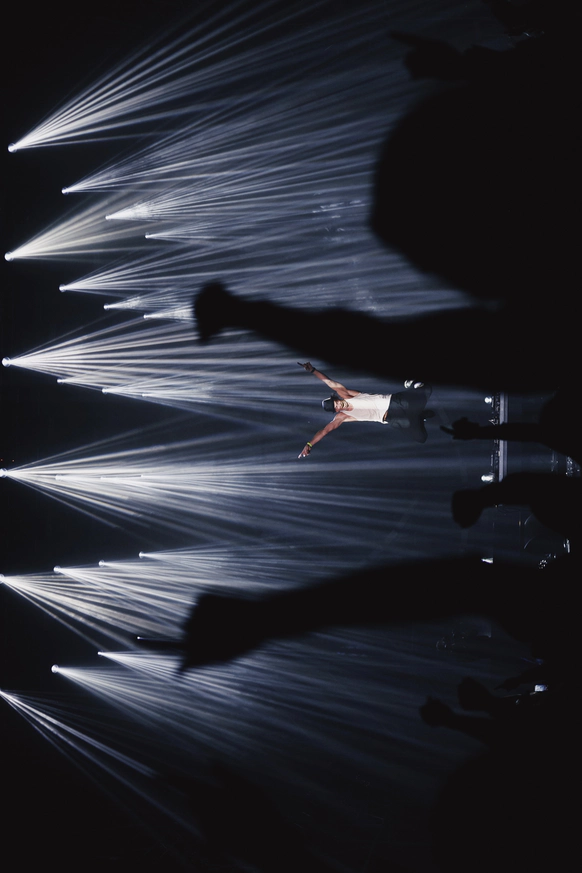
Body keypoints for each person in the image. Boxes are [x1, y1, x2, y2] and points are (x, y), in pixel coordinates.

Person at [297, 362, 432, 457]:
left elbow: (330, 382)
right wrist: (310, 444)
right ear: (336, 411)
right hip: (392, 419)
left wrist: (313, 370)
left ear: (336, 398)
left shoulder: (346, 395)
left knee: (427, 390)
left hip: (395, 403)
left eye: (336, 403)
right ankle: (419, 415)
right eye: (336, 408)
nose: (338, 406)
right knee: (421, 438)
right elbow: (325, 430)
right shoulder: (343, 417)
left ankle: (412, 385)